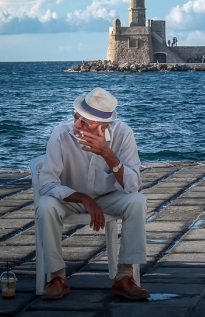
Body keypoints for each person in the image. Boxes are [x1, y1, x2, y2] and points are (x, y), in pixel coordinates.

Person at [36, 87, 150, 301]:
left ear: (103, 127)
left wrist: (107, 153)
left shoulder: (123, 134)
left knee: (137, 201)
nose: (77, 124)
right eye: (76, 116)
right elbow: (48, 184)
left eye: (85, 121)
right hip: (71, 198)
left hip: (108, 197)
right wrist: (83, 198)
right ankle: (57, 277)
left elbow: (133, 185)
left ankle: (124, 276)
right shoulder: (61, 134)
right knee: (45, 205)